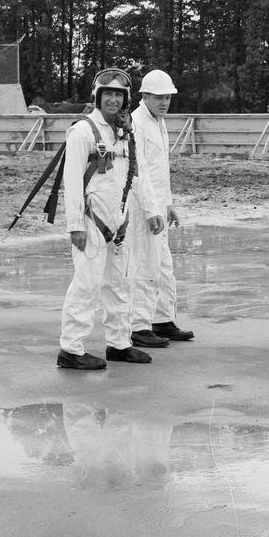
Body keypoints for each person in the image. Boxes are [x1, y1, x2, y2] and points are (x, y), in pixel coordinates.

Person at [57, 68, 163, 370]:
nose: (113, 100)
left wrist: (152, 210)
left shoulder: (125, 133)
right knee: (87, 285)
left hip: (120, 221)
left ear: (125, 99)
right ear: (97, 97)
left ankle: (119, 343)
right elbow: (72, 182)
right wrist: (75, 225)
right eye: (108, 94)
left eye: (119, 95)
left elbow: (138, 173)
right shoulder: (82, 132)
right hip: (91, 222)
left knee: (120, 284)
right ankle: (71, 349)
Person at [127, 69, 195, 348]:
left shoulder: (159, 122)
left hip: (158, 205)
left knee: (164, 265)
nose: (164, 102)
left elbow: (159, 171)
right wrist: (151, 209)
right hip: (143, 209)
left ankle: (162, 318)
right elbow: (136, 172)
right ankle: (139, 326)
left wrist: (168, 204)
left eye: (167, 97)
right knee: (144, 265)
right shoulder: (136, 123)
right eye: (158, 97)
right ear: (144, 96)